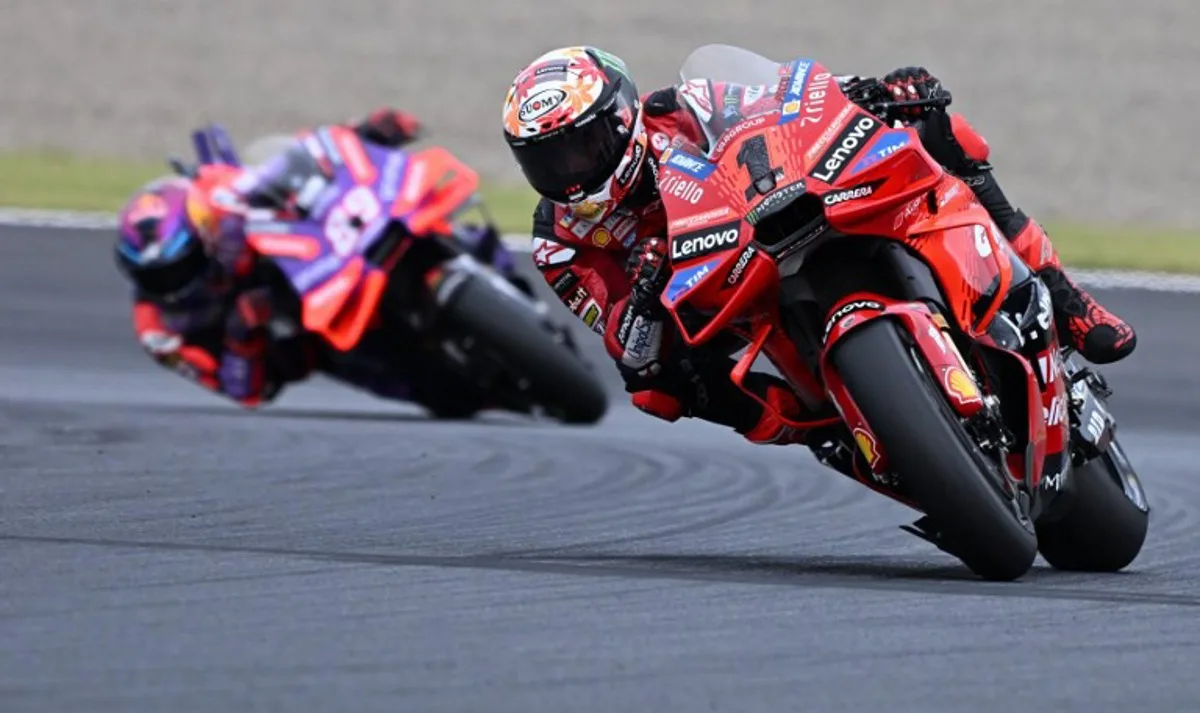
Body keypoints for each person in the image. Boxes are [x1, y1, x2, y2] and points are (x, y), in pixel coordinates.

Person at [500, 47, 1136, 487]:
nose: (570, 171)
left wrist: (875, 92)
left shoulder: (686, 107)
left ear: (620, 117)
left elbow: (795, 101)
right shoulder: (560, 241)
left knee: (938, 129)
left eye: (580, 146)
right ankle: (822, 431)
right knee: (658, 390)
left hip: (774, 220)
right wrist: (642, 296)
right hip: (710, 304)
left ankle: (1063, 295)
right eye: (548, 161)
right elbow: (627, 348)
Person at [115, 108, 532, 415]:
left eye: (178, 266)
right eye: (157, 276)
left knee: (427, 222)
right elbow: (242, 391)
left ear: (201, 236)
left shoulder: (214, 197)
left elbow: (285, 167)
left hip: (324, 254)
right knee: (426, 387)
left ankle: (499, 276)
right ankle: (479, 390)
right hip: (301, 332)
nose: (171, 283)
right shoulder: (160, 331)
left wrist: (363, 133)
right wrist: (244, 332)